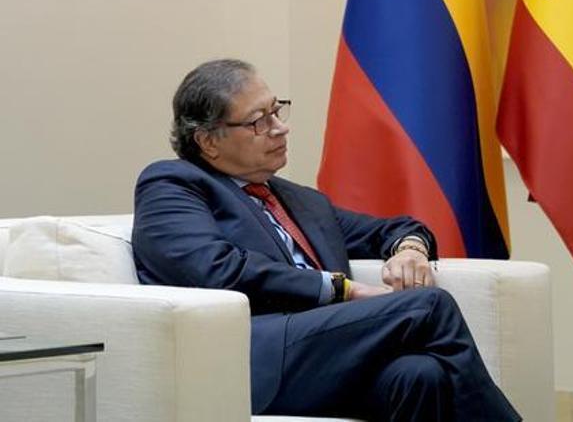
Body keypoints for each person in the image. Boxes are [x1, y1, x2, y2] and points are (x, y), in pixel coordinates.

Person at [132, 59, 519, 421]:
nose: (280, 128)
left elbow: (391, 229)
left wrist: (411, 249)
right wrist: (343, 290)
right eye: (257, 122)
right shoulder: (173, 184)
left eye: (276, 111)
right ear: (208, 141)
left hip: (326, 355)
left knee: (420, 374)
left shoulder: (300, 200)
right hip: (253, 356)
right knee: (428, 305)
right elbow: (215, 269)